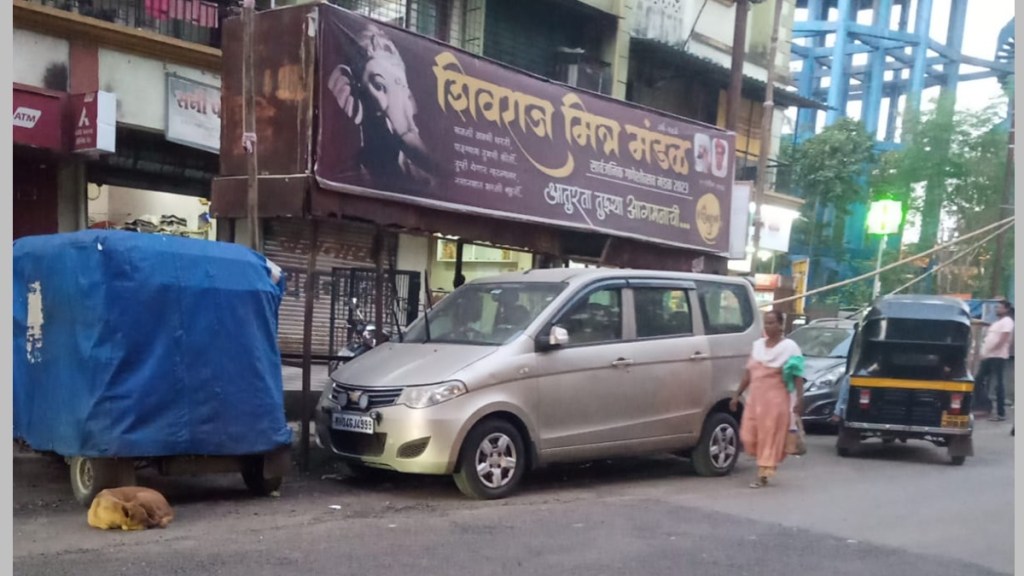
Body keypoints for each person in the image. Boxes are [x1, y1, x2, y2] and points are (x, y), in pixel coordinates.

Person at [730, 310, 806, 488]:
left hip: (776, 402)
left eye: (772, 323)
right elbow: (749, 373)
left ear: (781, 325)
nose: (768, 326)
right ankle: (763, 463)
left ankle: (763, 474)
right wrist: (737, 394)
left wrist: (800, 400)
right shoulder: (757, 346)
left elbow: (797, 376)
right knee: (748, 436)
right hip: (755, 400)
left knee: (768, 437)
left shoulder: (790, 348)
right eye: (766, 323)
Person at [976, 300, 1014, 422]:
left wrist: (990, 351)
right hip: (989, 356)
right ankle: (982, 406)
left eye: (1000, 307)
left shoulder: (1007, 322)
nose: (997, 309)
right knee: (978, 380)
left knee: (998, 383)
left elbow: (1003, 339)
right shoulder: (998, 322)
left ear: (1006, 309)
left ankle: (1000, 413)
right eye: (997, 307)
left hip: (997, 356)